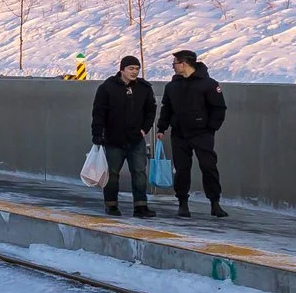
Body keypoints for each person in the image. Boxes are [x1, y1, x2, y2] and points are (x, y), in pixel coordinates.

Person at [156, 49, 229, 218]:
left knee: (208, 167)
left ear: (184, 64)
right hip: (179, 133)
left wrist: (211, 128)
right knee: (181, 169)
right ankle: (182, 203)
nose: (173, 67)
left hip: (202, 134)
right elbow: (166, 108)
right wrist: (161, 128)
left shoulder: (209, 84)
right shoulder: (172, 86)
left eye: (175, 63)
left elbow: (219, 108)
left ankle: (215, 203)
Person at [89, 54, 156, 218]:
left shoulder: (144, 88)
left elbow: (150, 110)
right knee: (112, 174)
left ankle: (141, 206)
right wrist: (97, 134)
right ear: (122, 69)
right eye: (131, 68)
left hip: (136, 139)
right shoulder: (107, 88)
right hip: (114, 139)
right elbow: (98, 113)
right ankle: (111, 204)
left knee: (139, 172)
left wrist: (144, 129)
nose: (134, 72)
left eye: (137, 69)